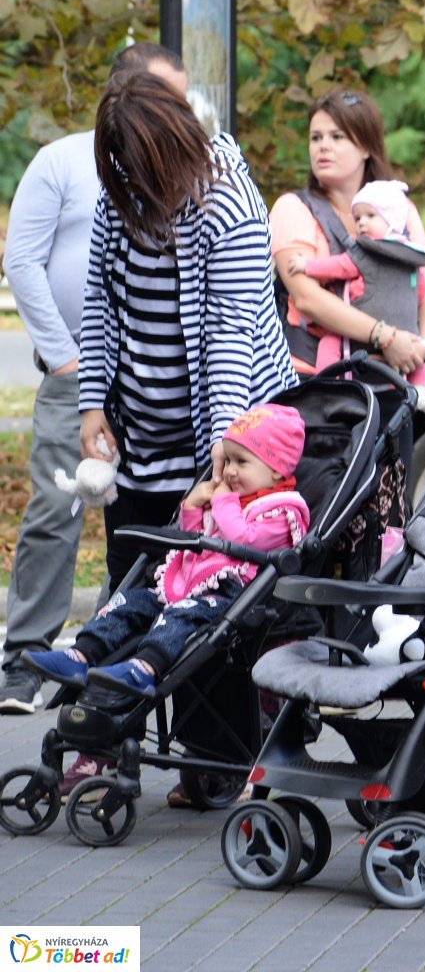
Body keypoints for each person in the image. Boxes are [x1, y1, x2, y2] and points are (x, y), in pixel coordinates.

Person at [0, 44, 185, 714]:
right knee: (59, 508)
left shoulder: (183, 166)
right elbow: (22, 260)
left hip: (155, 379)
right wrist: (67, 356)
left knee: (146, 520)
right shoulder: (64, 161)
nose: (182, 111)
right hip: (76, 371)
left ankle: (110, 656)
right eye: (169, 95)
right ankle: (23, 657)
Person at [80, 71, 301, 593]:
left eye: (143, 172)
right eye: (124, 172)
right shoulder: (121, 191)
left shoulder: (228, 204)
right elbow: (99, 301)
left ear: (174, 146)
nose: (135, 187)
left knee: (197, 590)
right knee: (129, 580)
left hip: (220, 430)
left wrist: (222, 451)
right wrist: (92, 403)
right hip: (140, 438)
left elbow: (230, 332)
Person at [27, 404, 310, 699]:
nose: (229, 471)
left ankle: (145, 668)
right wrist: (192, 508)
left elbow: (242, 539)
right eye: (227, 461)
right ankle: (80, 655)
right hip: (191, 585)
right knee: (128, 602)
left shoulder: (281, 510)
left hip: (231, 596)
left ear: (277, 470)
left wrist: (222, 502)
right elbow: (194, 537)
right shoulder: (236, 497)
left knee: (178, 617)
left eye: (241, 462)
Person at [270, 88, 425, 384]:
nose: (323, 147)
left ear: (366, 147)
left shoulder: (403, 210)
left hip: (393, 379)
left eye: (337, 137)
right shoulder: (293, 208)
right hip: (313, 380)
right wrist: (385, 337)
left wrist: (421, 348)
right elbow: (307, 298)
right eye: (316, 138)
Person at [289, 179, 425, 402]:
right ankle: (422, 390)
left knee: (330, 341)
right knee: (418, 348)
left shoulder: (365, 253)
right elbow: (422, 290)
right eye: (357, 218)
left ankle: (325, 383)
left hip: (361, 329)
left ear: (392, 220)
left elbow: (338, 266)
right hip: (402, 331)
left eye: (370, 216)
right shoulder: (411, 256)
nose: (361, 223)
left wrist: (306, 265)